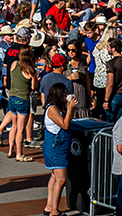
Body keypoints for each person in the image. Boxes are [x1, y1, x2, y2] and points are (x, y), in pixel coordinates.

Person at [43, 83, 73, 216]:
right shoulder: (52, 109)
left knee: (54, 177)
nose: (66, 96)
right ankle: (54, 211)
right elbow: (65, 125)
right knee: (61, 179)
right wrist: (70, 108)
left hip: (56, 146)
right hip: (55, 148)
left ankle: (49, 206)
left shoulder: (55, 108)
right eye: (64, 94)